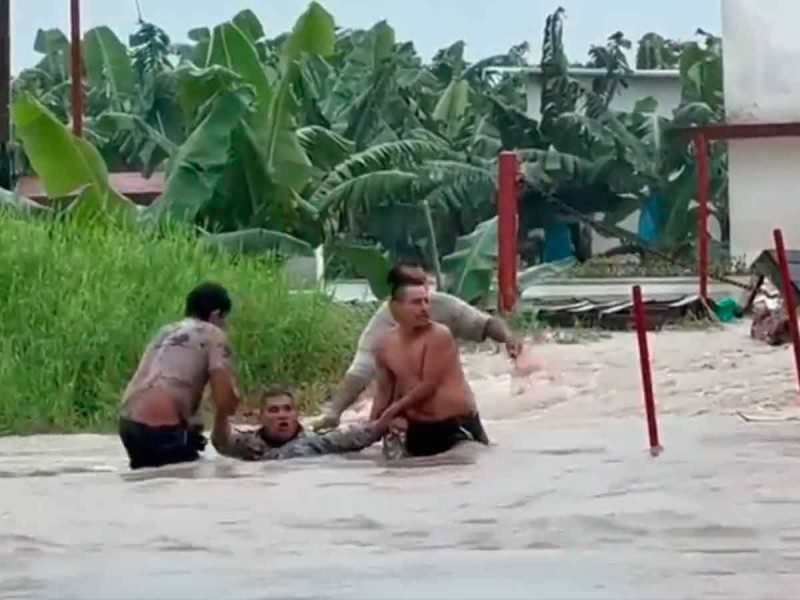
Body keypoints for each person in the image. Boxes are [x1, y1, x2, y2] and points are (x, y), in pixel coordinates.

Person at [311, 259, 524, 432]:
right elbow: (361, 373)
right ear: (395, 298)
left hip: (455, 420)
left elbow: (484, 323)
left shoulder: (441, 317)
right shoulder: (381, 334)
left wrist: (508, 338)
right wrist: (336, 413)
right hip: (410, 422)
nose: (424, 301)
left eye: (423, 285)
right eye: (414, 289)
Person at [118, 282, 250, 469]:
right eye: (224, 319)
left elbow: (168, 383)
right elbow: (224, 398)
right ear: (216, 315)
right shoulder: (213, 334)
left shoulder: (165, 331)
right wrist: (222, 434)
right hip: (158, 425)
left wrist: (187, 426)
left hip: (128, 423)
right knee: (192, 480)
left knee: (149, 480)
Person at [369, 281, 488, 458]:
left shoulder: (439, 335)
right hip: (418, 429)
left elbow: (428, 386)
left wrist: (389, 413)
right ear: (395, 308)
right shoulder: (383, 344)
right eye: (417, 302)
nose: (424, 308)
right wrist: (372, 425)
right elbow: (384, 392)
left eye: (426, 302)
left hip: (455, 426)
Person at [215, 387, 375, 461]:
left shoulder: (318, 442)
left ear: (297, 414)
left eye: (287, 409)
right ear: (260, 417)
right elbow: (220, 443)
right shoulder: (246, 445)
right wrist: (222, 412)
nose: (282, 415)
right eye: (274, 410)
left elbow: (367, 433)